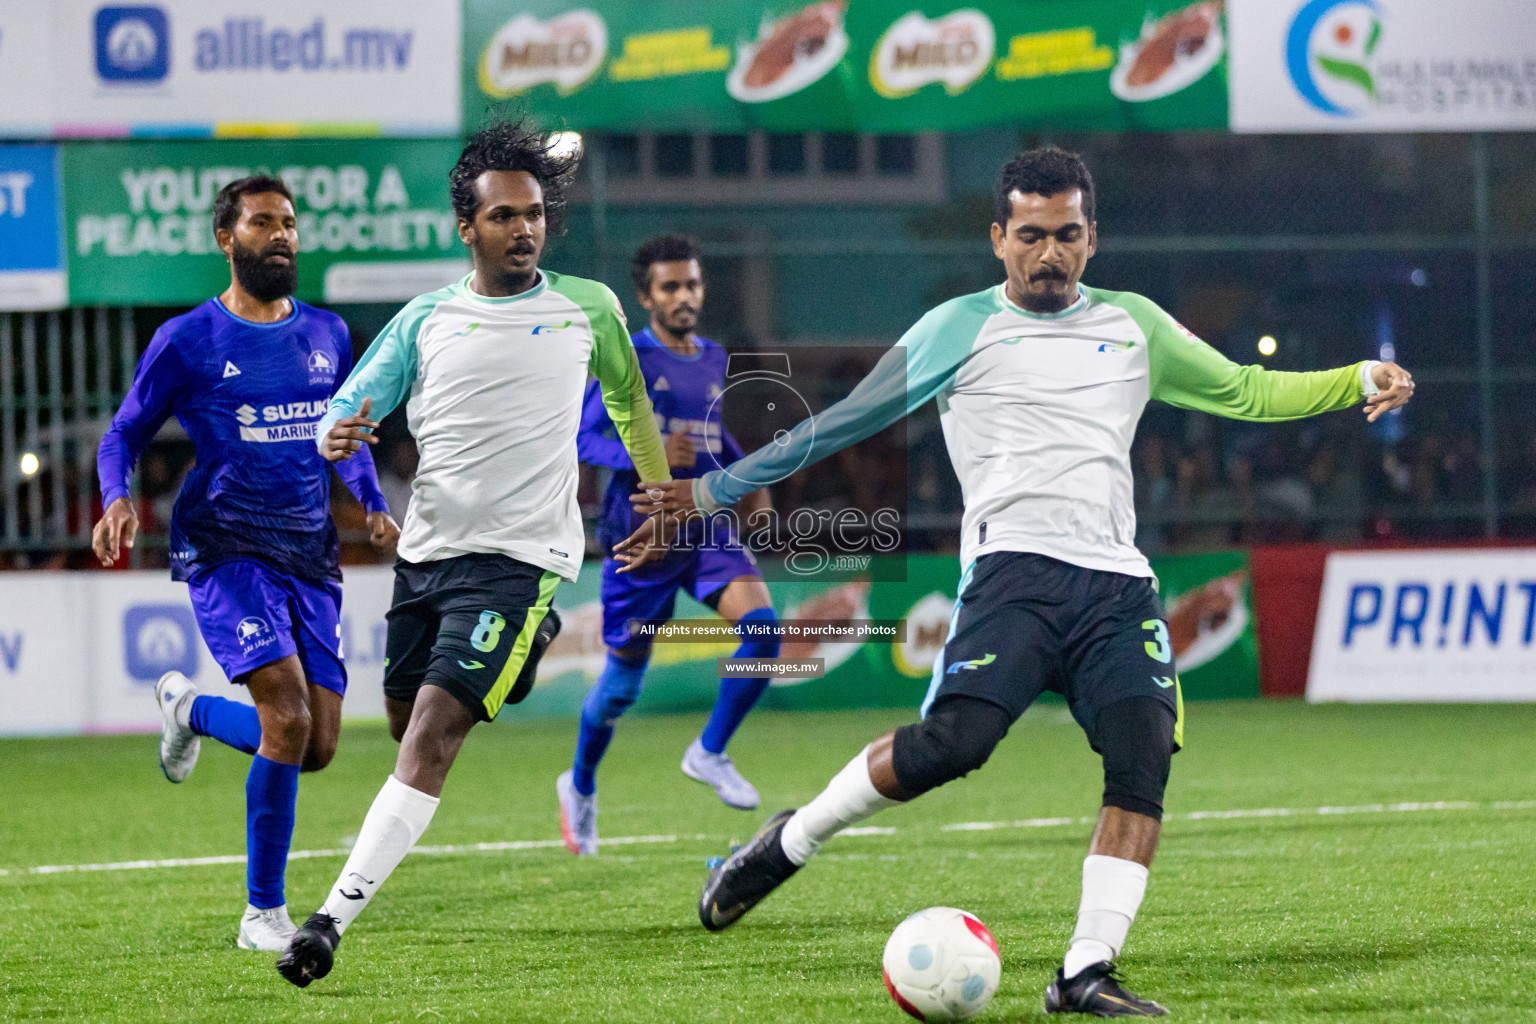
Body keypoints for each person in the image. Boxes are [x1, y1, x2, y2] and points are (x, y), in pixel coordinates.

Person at [633, 146, 1416, 1016]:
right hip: (1012, 578)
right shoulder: (957, 327)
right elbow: (844, 421)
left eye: (1068, 235)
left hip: (1116, 587)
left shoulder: (1134, 324)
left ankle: (1084, 971)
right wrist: (711, 489)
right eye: (1032, 235)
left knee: (1143, 754)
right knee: (949, 749)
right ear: (999, 237)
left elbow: (1246, 392)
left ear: (1092, 239)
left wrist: (1357, 379)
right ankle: (788, 842)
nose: (1050, 252)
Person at [276, 120, 676, 988]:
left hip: (519, 558)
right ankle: (519, 661)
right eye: (503, 216)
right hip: (427, 558)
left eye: (533, 214)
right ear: (469, 227)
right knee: (399, 720)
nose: (523, 229)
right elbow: (339, 419)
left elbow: (630, 400)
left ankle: (327, 922)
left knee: (430, 734)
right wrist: (335, 436)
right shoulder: (427, 320)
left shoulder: (590, 308)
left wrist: (660, 490)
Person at [92, 175, 399, 951]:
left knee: (318, 744)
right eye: (263, 223)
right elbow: (122, 432)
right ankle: (262, 913)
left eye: (289, 222)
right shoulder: (190, 339)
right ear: (226, 239)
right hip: (224, 545)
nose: (282, 235)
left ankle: (189, 711)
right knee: (288, 718)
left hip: (308, 551)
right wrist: (115, 497)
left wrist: (368, 502)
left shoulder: (328, 333)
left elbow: (346, 436)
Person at [558, 235, 781, 856]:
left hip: (703, 525)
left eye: (692, 285)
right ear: (645, 296)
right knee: (621, 689)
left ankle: (710, 751)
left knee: (764, 631)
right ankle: (578, 785)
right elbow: (582, 439)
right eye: (670, 287)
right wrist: (647, 448)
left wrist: (752, 477)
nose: (685, 297)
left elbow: (711, 435)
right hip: (640, 537)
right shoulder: (625, 356)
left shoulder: (712, 356)